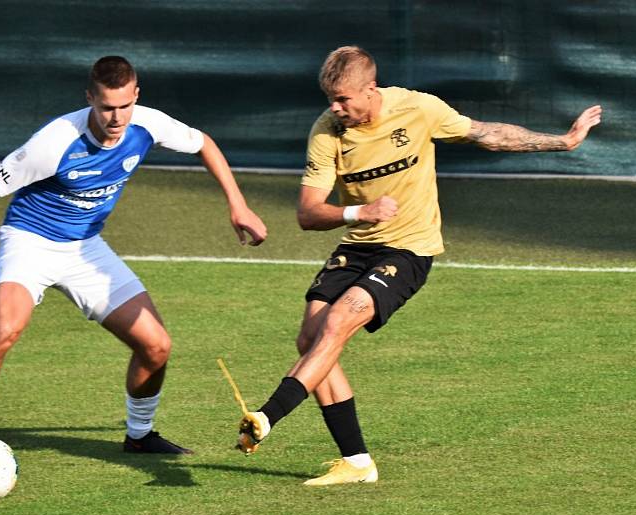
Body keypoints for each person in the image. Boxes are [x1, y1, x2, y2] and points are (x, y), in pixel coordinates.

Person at [236, 45, 602, 485]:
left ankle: (267, 416)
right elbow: (307, 213)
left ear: (370, 89)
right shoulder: (327, 132)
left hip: (409, 249)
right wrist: (358, 213)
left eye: (343, 99)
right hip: (358, 244)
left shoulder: (418, 108)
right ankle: (357, 463)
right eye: (329, 99)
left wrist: (563, 141)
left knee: (337, 323)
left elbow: (487, 134)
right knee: (310, 338)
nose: (335, 108)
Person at [0, 55, 267, 470]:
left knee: (156, 346)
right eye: (106, 107)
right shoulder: (55, 141)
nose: (117, 117)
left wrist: (238, 205)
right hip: (29, 242)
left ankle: (139, 437)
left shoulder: (149, 123)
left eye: (124, 105)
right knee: (4, 330)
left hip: (85, 248)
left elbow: (203, 143)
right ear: (90, 99)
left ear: (136, 95)